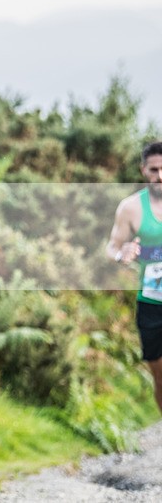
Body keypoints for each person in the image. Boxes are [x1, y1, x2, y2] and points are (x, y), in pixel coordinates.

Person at [107, 140, 162, 415]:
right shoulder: (130, 208)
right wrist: (123, 254)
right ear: (143, 170)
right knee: (161, 377)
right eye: (154, 170)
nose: (160, 176)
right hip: (151, 301)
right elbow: (112, 247)